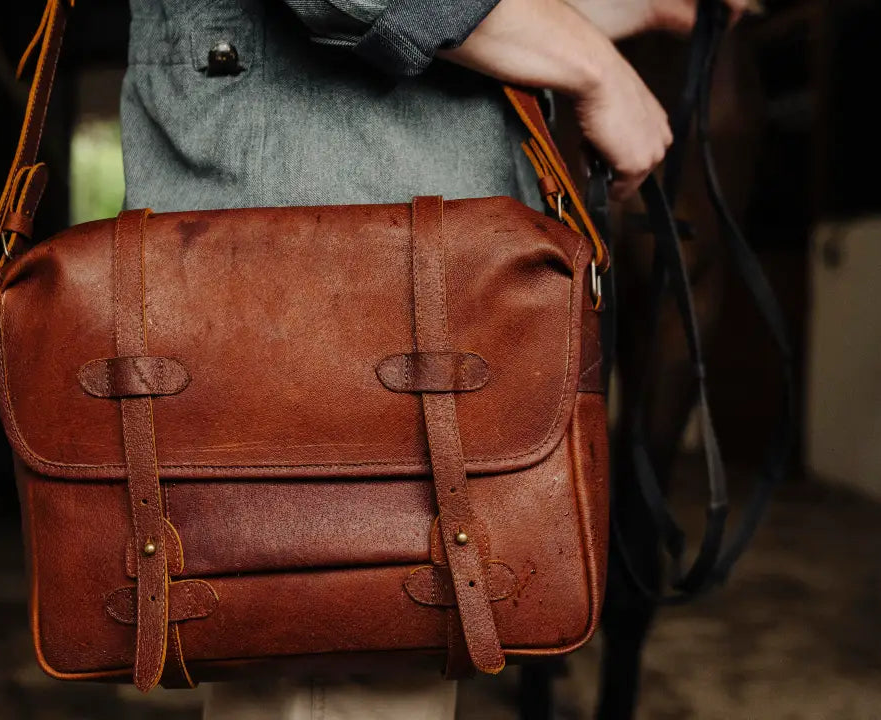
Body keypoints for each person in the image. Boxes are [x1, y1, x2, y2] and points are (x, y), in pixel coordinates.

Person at [118, 0, 751, 717]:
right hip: (342, 251)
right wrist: (596, 68)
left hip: (396, 262)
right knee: (343, 659)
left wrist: (634, 10)